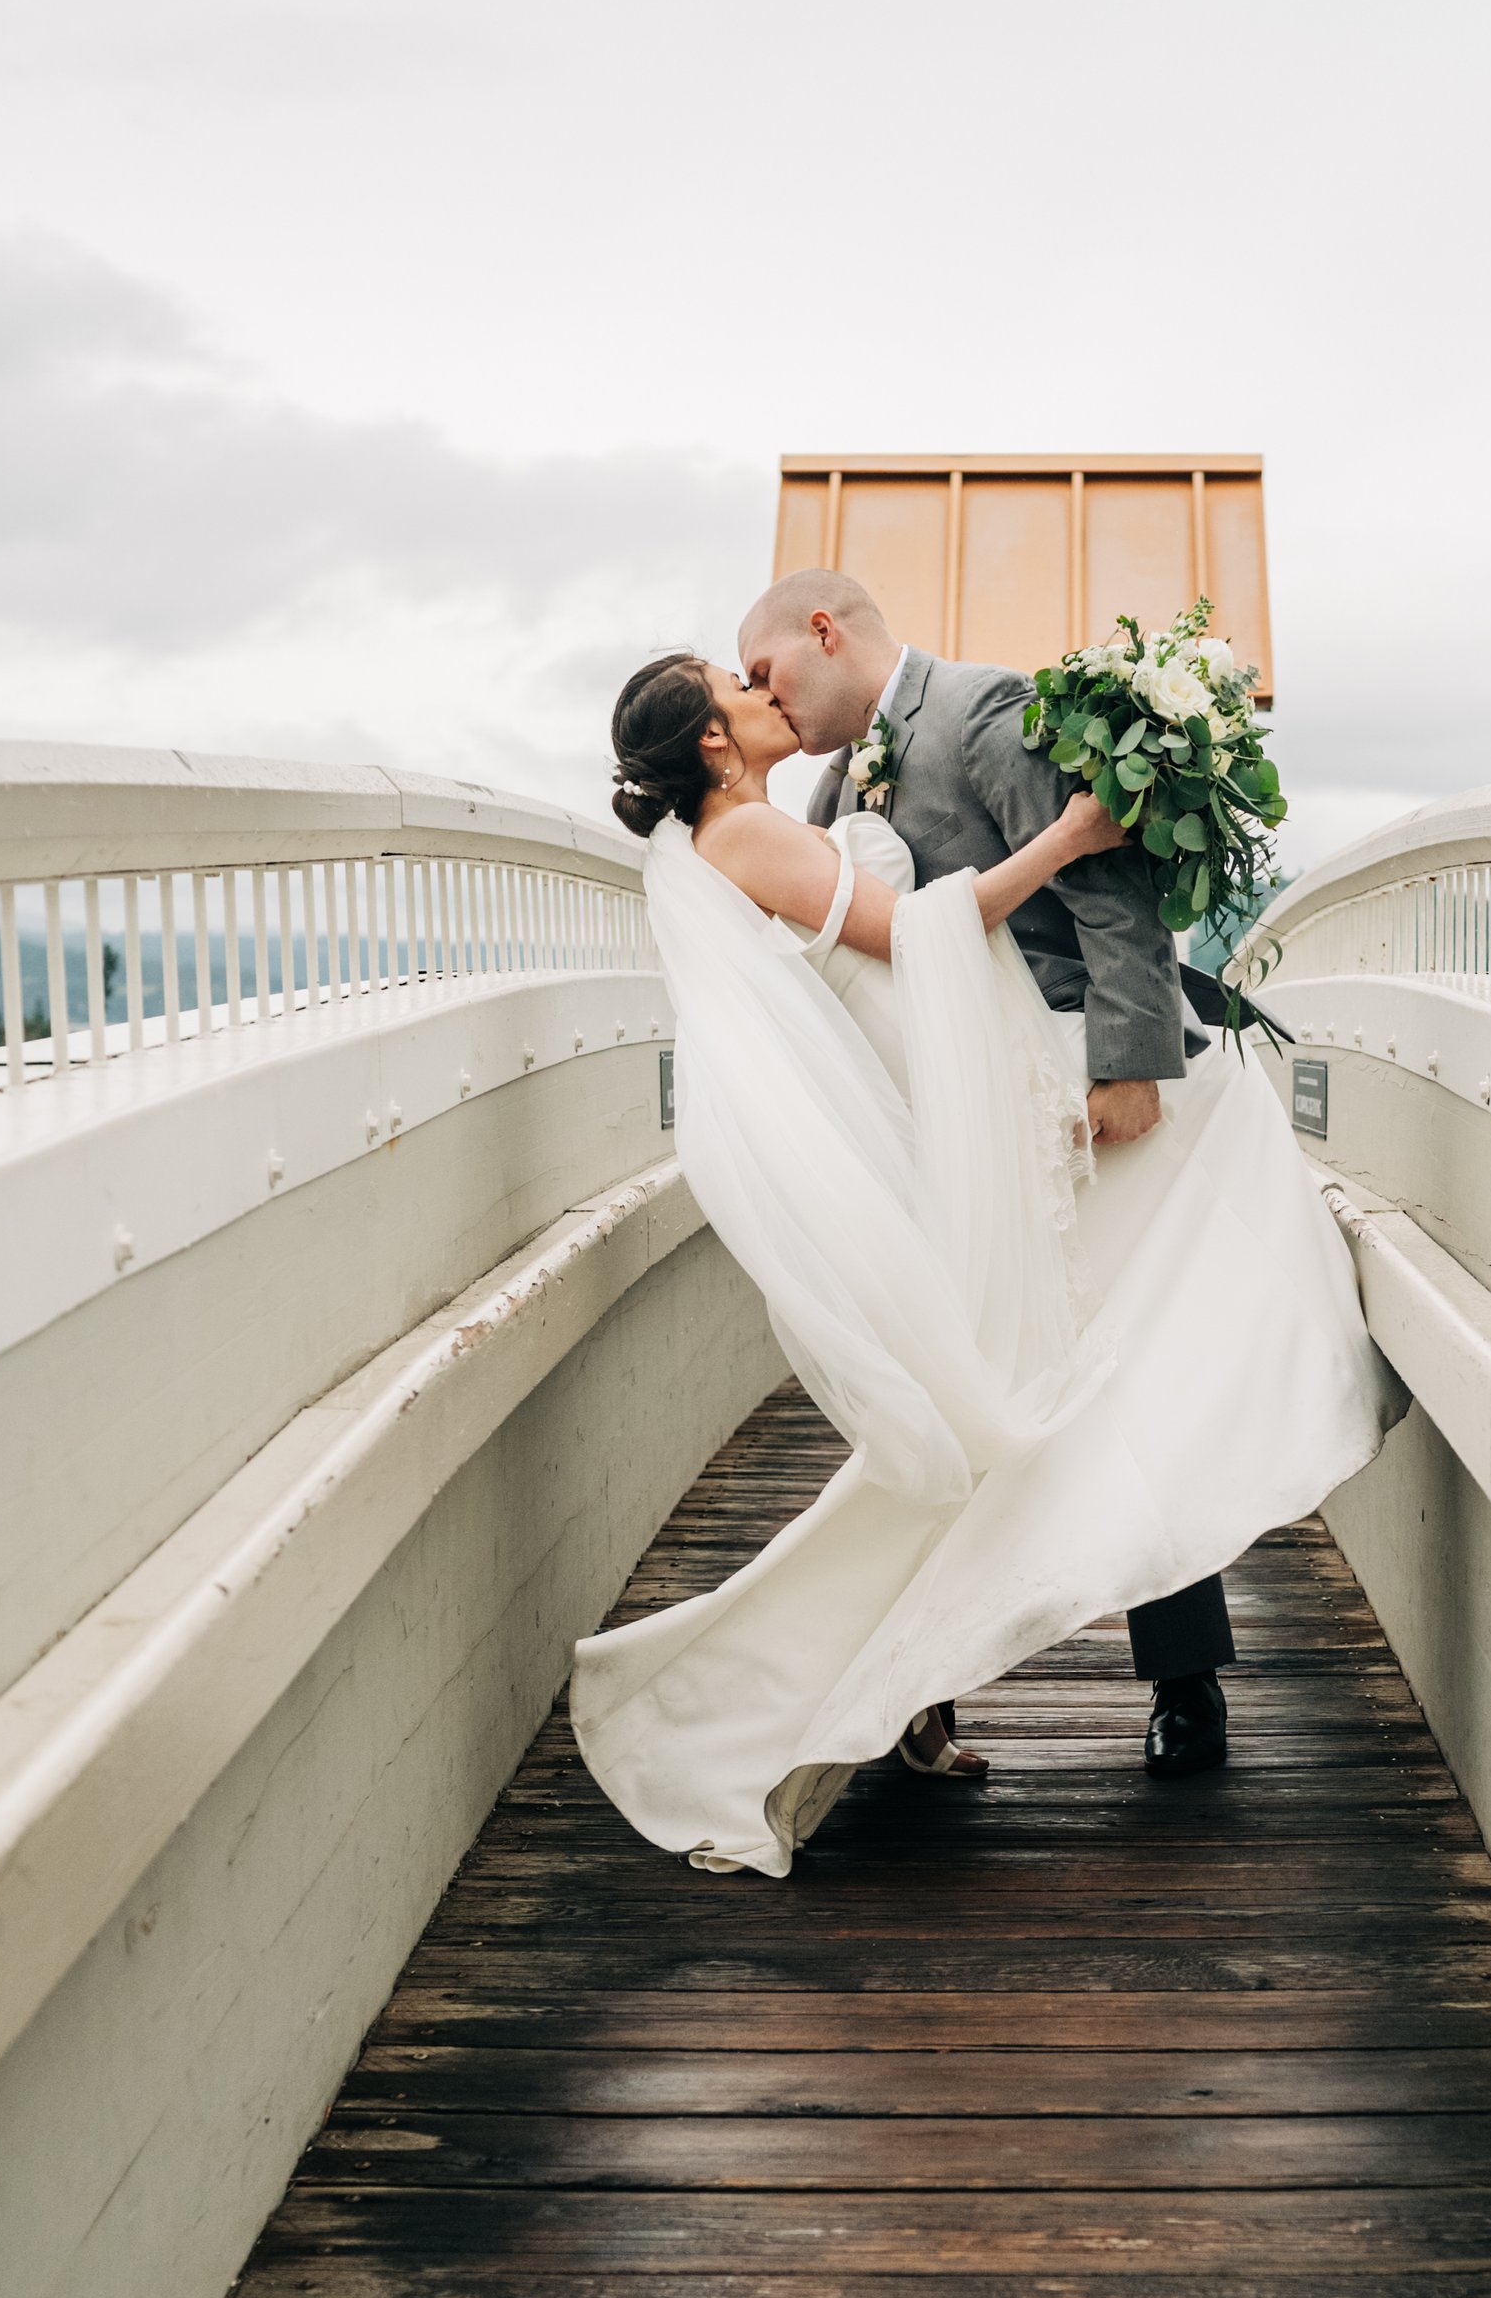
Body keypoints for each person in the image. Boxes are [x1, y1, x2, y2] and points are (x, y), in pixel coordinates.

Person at [566, 644, 1386, 1880]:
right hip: (964, 1102)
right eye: (737, 688)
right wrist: (1065, 838)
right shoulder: (751, 834)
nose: (761, 689)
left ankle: (928, 1686)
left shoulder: (773, 818)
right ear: (715, 745)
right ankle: (1293, 1399)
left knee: (1044, 1375)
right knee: (1127, 1260)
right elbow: (908, 932)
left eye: (762, 667)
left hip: (971, 1083)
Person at [741, 567, 1239, 1776]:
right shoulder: (822, 785)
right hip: (965, 1131)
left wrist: (1130, 1060)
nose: (766, 699)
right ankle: (920, 1684)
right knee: (970, 1383)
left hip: (1074, 1091)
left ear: (824, 631)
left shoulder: (981, 711)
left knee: (1116, 1376)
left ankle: (1184, 1684)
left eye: (766, 674)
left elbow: (1108, 879)